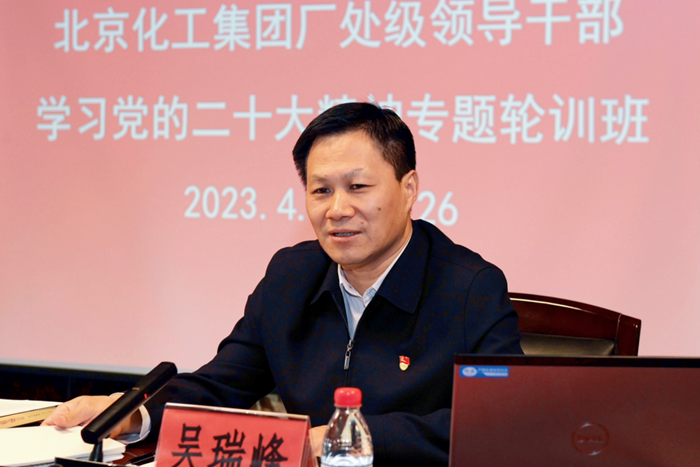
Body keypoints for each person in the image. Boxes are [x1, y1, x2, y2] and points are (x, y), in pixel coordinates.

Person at [43, 103, 522, 466]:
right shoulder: (291, 276)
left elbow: (497, 424)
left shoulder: (469, 289)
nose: (337, 209)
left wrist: (343, 439)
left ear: (409, 188)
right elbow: (221, 384)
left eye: (358, 187)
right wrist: (133, 414)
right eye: (321, 190)